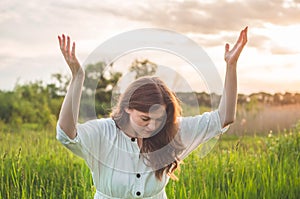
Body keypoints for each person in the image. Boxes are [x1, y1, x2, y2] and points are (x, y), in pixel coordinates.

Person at [56, 27, 248, 199]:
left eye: (159, 119)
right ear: (127, 108)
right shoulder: (104, 133)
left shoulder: (172, 131)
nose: (153, 126)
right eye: (145, 119)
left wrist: (231, 66)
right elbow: (66, 134)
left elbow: (224, 118)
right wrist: (77, 77)